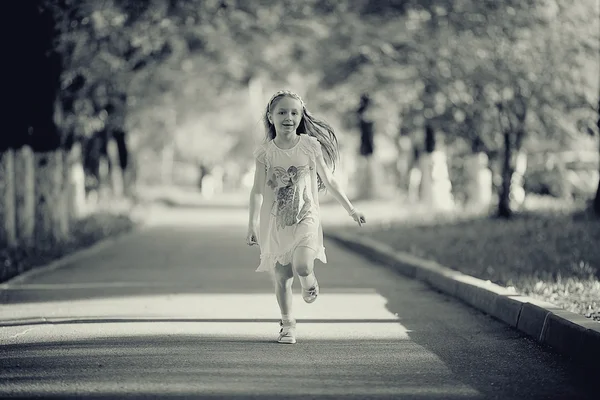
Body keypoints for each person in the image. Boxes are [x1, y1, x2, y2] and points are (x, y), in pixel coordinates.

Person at [247, 90, 366, 344]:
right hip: (277, 221)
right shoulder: (265, 153)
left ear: (301, 117)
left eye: (294, 112)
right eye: (281, 112)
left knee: (301, 265)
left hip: (306, 216)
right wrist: (252, 224)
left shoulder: (310, 146)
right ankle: (287, 324)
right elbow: (257, 191)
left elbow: (329, 179)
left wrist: (351, 209)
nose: (288, 117)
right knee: (282, 277)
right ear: (270, 117)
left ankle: (309, 280)